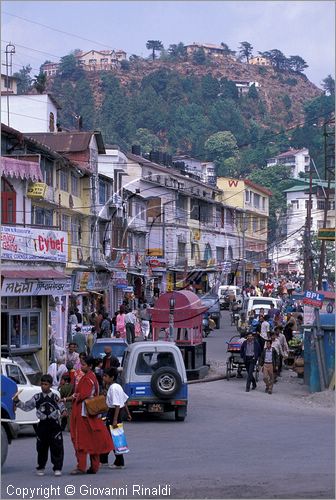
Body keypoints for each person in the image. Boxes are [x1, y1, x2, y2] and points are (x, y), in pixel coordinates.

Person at [14, 374, 66, 476]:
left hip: (54, 425)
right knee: (41, 447)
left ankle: (57, 468)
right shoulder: (37, 397)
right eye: (42, 384)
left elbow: (62, 408)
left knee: (56, 447)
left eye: (46, 384)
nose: (43, 386)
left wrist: (64, 412)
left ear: (50, 385)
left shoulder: (55, 397)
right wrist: (17, 402)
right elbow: (26, 407)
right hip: (42, 425)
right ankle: (41, 467)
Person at [70, 356, 113, 474]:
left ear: (90, 366)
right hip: (91, 412)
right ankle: (94, 466)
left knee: (81, 439)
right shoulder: (92, 377)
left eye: (83, 365)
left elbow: (82, 395)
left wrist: (71, 397)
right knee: (93, 439)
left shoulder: (87, 379)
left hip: (83, 413)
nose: (81, 366)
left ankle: (81, 466)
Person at [100, 367, 132, 469]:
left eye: (106, 376)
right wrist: (128, 413)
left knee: (113, 438)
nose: (104, 378)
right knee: (110, 437)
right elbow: (124, 400)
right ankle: (103, 459)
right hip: (117, 413)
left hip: (114, 413)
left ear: (112, 377)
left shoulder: (113, 388)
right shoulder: (117, 386)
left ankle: (119, 461)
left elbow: (117, 404)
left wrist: (114, 420)